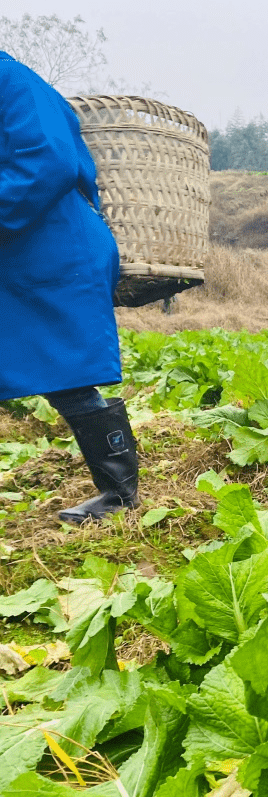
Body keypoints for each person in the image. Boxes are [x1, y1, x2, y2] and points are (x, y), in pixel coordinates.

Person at [0, 51, 139, 523]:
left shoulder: (11, 80)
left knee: (66, 374)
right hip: (15, 251)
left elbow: (48, 162)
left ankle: (119, 494)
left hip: (55, 249)